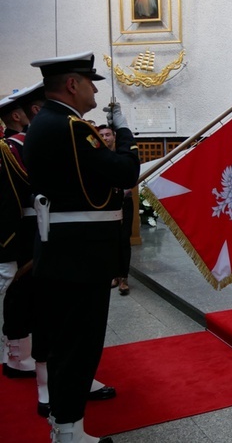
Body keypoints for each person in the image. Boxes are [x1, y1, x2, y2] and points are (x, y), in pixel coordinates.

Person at [24, 51, 140, 442]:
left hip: (64, 251)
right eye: (90, 82)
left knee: (64, 344)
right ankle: (70, 432)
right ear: (71, 84)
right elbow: (124, 170)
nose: (94, 88)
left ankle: (64, 426)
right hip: (80, 256)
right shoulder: (70, 127)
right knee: (78, 345)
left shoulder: (47, 122)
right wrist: (123, 132)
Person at [0, 95, 35, 380]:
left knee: (24, 295)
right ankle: (17, 357)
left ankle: (19, 353)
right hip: (22, 231)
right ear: (16, 116)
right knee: (19, 295)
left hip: (27, 228)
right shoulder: (12, 147)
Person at [98, 125, 133, 297]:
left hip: (124, 200)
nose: (105, 138)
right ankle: (113, 275)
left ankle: (124, 278)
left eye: (108, 134)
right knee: (111, 239)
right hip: (107, 202)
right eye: (102, 135)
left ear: (114, 136)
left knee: (124, 238)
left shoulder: (122, 154)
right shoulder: (98, 155)